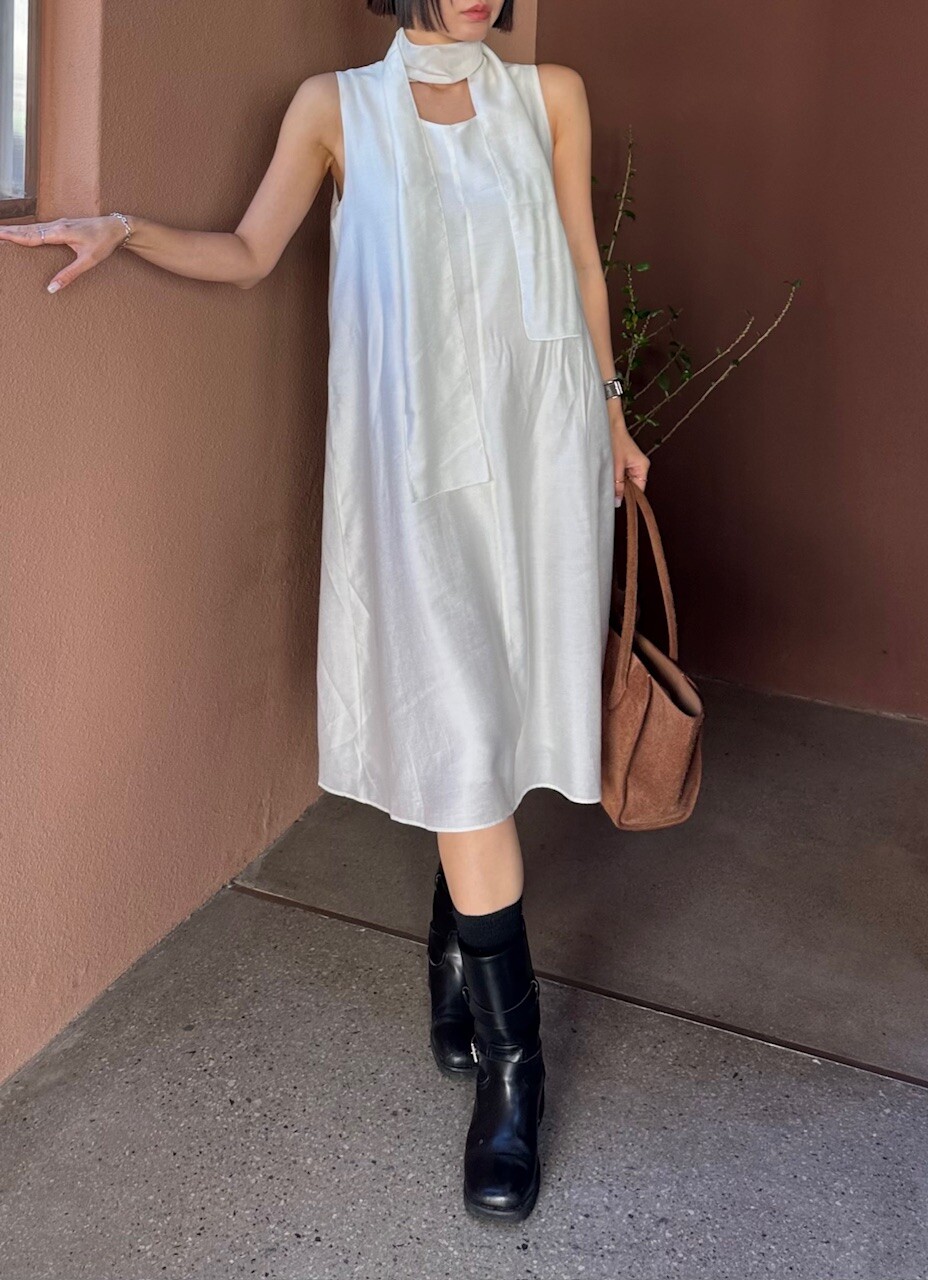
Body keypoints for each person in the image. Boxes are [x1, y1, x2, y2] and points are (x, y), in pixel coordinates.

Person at [0, 0, 649, 1225]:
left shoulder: (549, 95)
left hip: (541, 458)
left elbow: (580, 260)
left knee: (504, 720)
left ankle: (456, 935)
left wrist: (613, 417)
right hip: (417, 478)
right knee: (465, 730)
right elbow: (253, 251)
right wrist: (127, 230)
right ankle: (517, 1074)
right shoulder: (335, 110)